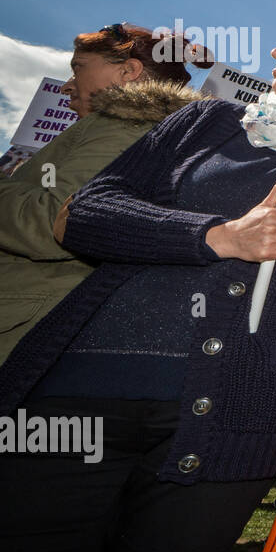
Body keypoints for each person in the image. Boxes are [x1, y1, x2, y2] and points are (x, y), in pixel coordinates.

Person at [0, 12, 276, 552]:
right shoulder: (205, 121)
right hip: (85, 397)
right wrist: (220, 235)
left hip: (239, 412)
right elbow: (81, 215)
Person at [0, 24, 210, 366]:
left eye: (78, 67)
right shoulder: (137, 127)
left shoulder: (124, 125)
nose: (69, 84)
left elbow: (56, 222)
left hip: (21, 313)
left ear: (129, 71)